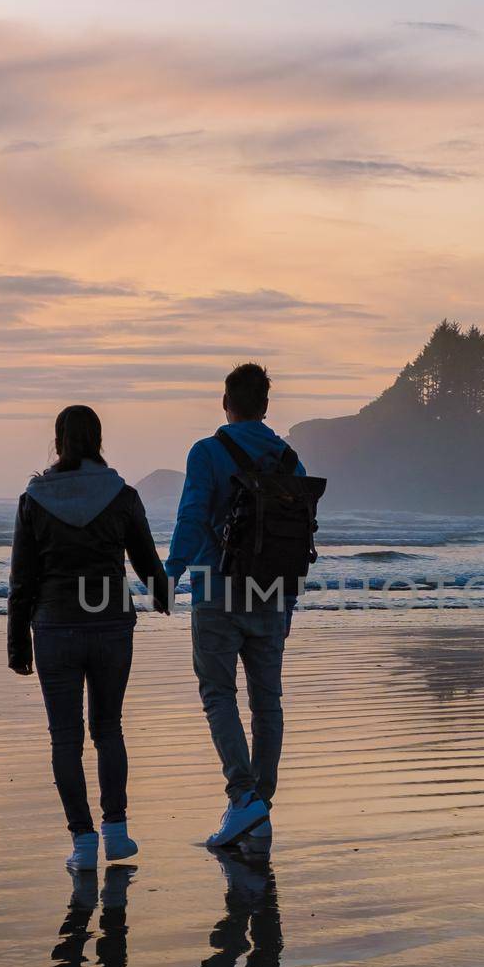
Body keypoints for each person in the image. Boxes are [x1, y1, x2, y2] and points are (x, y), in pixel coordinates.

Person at [9, 404, 170, 870]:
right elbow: (146, 562)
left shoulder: (34, 499)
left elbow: (22, 580)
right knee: (108, 728)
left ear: (58, 441)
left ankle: (82, 841)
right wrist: (165, 599)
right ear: (98, 440)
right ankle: (116, 830)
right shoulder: (121, 494)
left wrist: (18, 645)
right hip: (111, 626)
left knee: (65, 738)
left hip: (54, 627)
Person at [165, 362, 305, 855]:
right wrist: (289, 598)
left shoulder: (207, 452)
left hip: (216, 590)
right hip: (272, 594)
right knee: (267, 702)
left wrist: (172, 572)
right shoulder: (289, 460)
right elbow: (298, 533)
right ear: (265, 406)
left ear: (226, 402)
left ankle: (243, 796)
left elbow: (191, 514)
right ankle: (259, 805)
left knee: (218, 694)